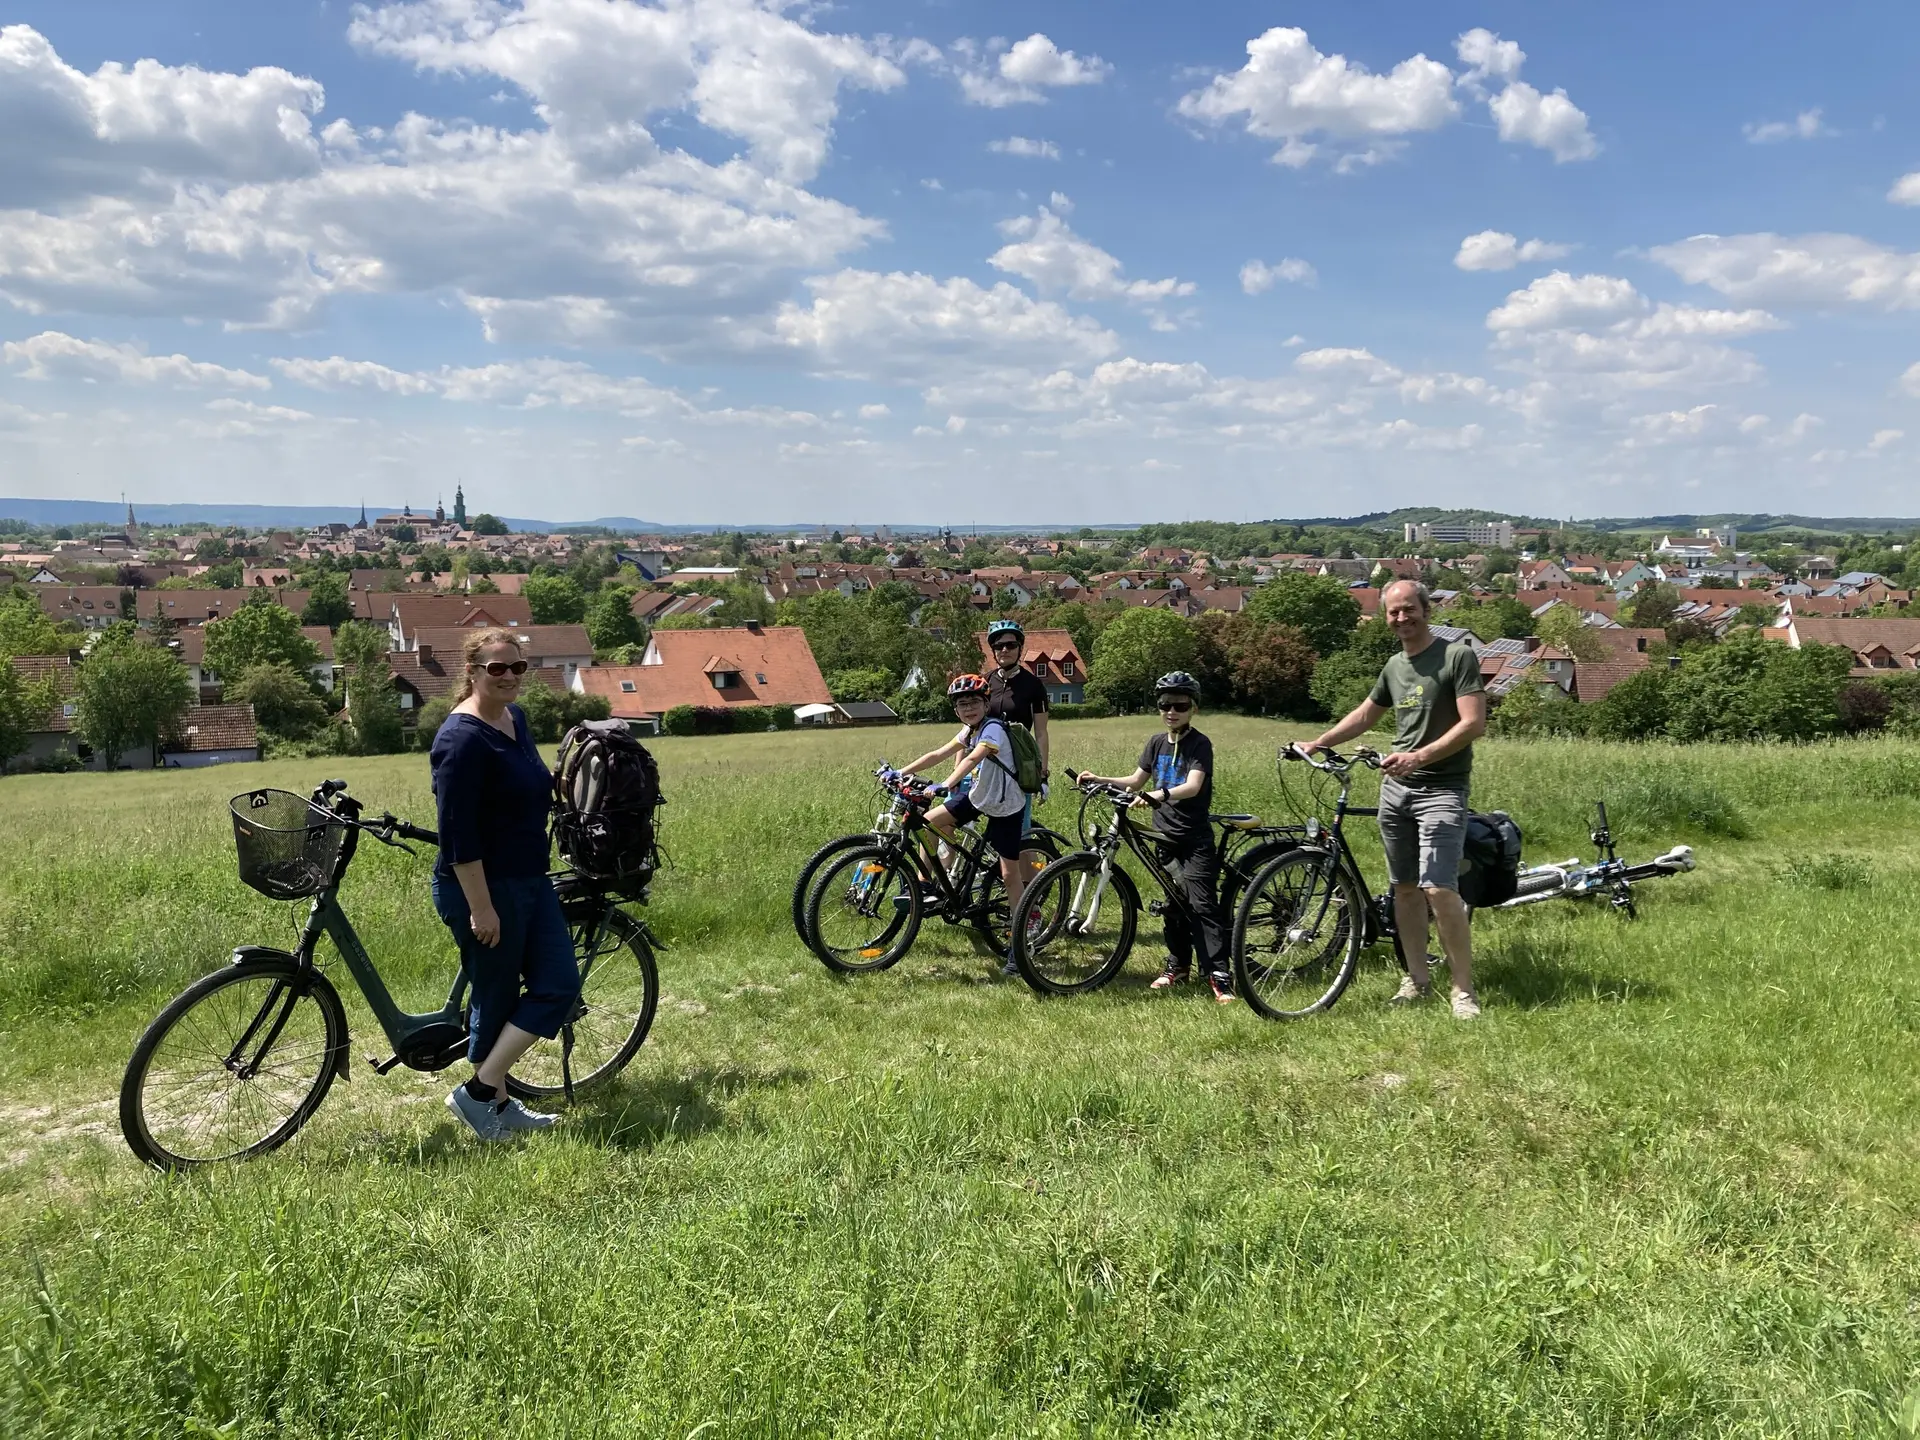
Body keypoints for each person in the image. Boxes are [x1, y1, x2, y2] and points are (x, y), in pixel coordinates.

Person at [1300, 579, 1487, 1019]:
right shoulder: (1394, 666)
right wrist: (1319, 742)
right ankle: (1417, 980)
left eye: (1409, 609)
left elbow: (1473, 723)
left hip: (1442, 787)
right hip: (1396, 790)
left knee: (1439, 888)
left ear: (1426, 609)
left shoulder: (1456, 656)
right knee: (1403, 888)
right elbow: (1367, 714)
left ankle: (1463, 992)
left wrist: (1420, 756)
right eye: (1393, 612)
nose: (1402, 618)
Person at [430, 627, 583, 1139]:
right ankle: (491, 1106)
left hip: (528, 879)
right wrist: (481, 907)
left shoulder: (514, 718)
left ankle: (482, 1093)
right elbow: (457, 837)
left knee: (558, 985)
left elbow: (528, 781)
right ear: (472, 672)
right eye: (497, 668)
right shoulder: (460, 740)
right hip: (483, 888)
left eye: (518, 667)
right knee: (495, 998)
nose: (510, 677)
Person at [1075, 671, 1234, 1004]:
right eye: (1165, 705)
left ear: (1193, 708)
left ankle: (1219, 975)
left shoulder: (1199, 744)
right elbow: (1135, 780)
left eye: (1179, 705)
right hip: (1163, 836)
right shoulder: (1157, 743)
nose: (1171, 711)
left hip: (1192, 838)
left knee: (1202, 904)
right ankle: (1178, 965)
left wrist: (1158, 794)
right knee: (1174, 905)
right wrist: (1099, 778)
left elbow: (1192, 786)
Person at [902, 674, 1031, 976]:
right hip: (979, 796)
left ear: (986, 703)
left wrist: (946, 784)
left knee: (1009, 874)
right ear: (956, 710)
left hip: (1005, 804)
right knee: (927, 822)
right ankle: (925, 884)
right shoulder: (968, 729)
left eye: (974, 702)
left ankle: (1020, 943)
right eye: (962, 704)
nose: (969, 707)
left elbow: (976, 756)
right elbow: (938, 753)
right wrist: (899, 771)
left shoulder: (993, 729)